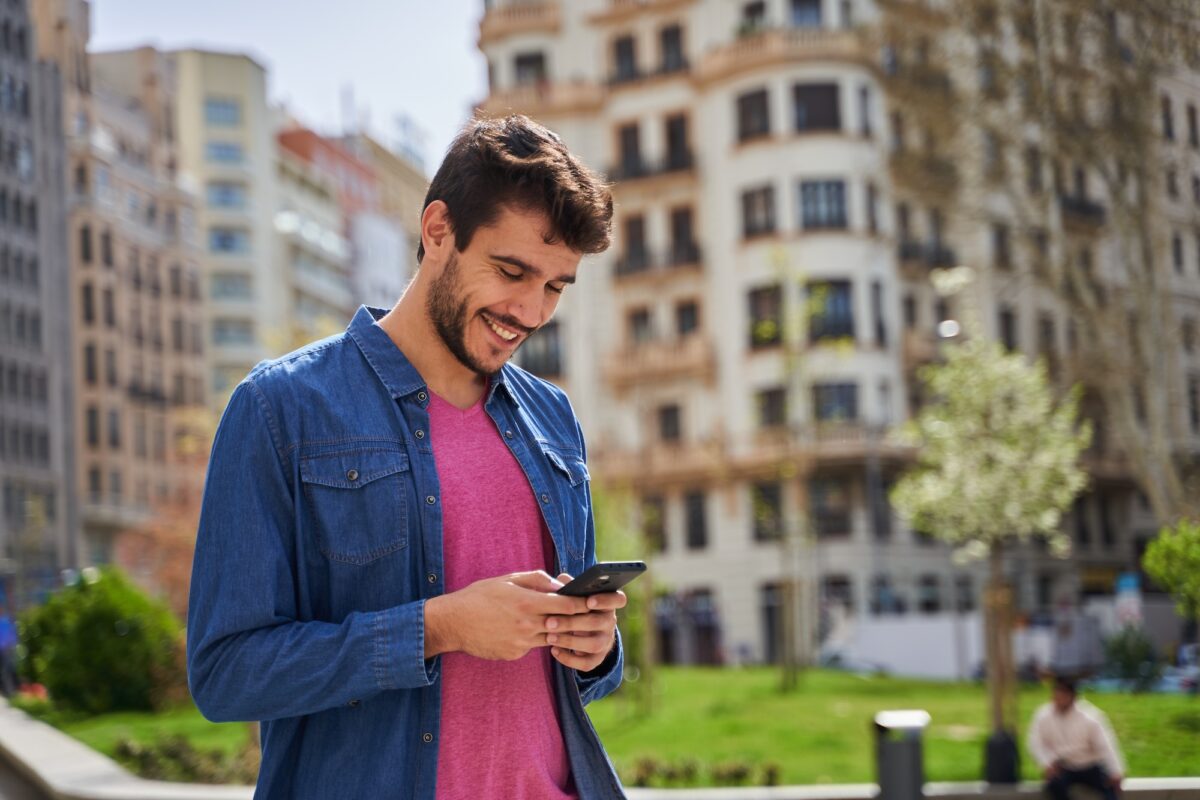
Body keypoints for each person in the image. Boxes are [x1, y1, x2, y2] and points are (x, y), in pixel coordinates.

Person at [187, 115, 628, 799]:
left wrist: (594, 649)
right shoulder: (281, 410)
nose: (532, 311)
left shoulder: (553, 420)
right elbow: (226, 673)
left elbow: (560, 681)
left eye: (555, 286)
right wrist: (439, 627)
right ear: (437, 231)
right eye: (511, 271)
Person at [1028, 675, 1125, 800]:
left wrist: (1116, 771)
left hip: (1091, 765)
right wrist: (1047, 763)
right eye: (1056, 695)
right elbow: (1035, 742)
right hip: (1064, 766)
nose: (1059, 699)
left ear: (1073, 697)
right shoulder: (1043, 715)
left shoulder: (1090, 716)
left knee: (1111, 790)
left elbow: (1105, 745)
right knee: (1054, 786)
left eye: (1063, 695)